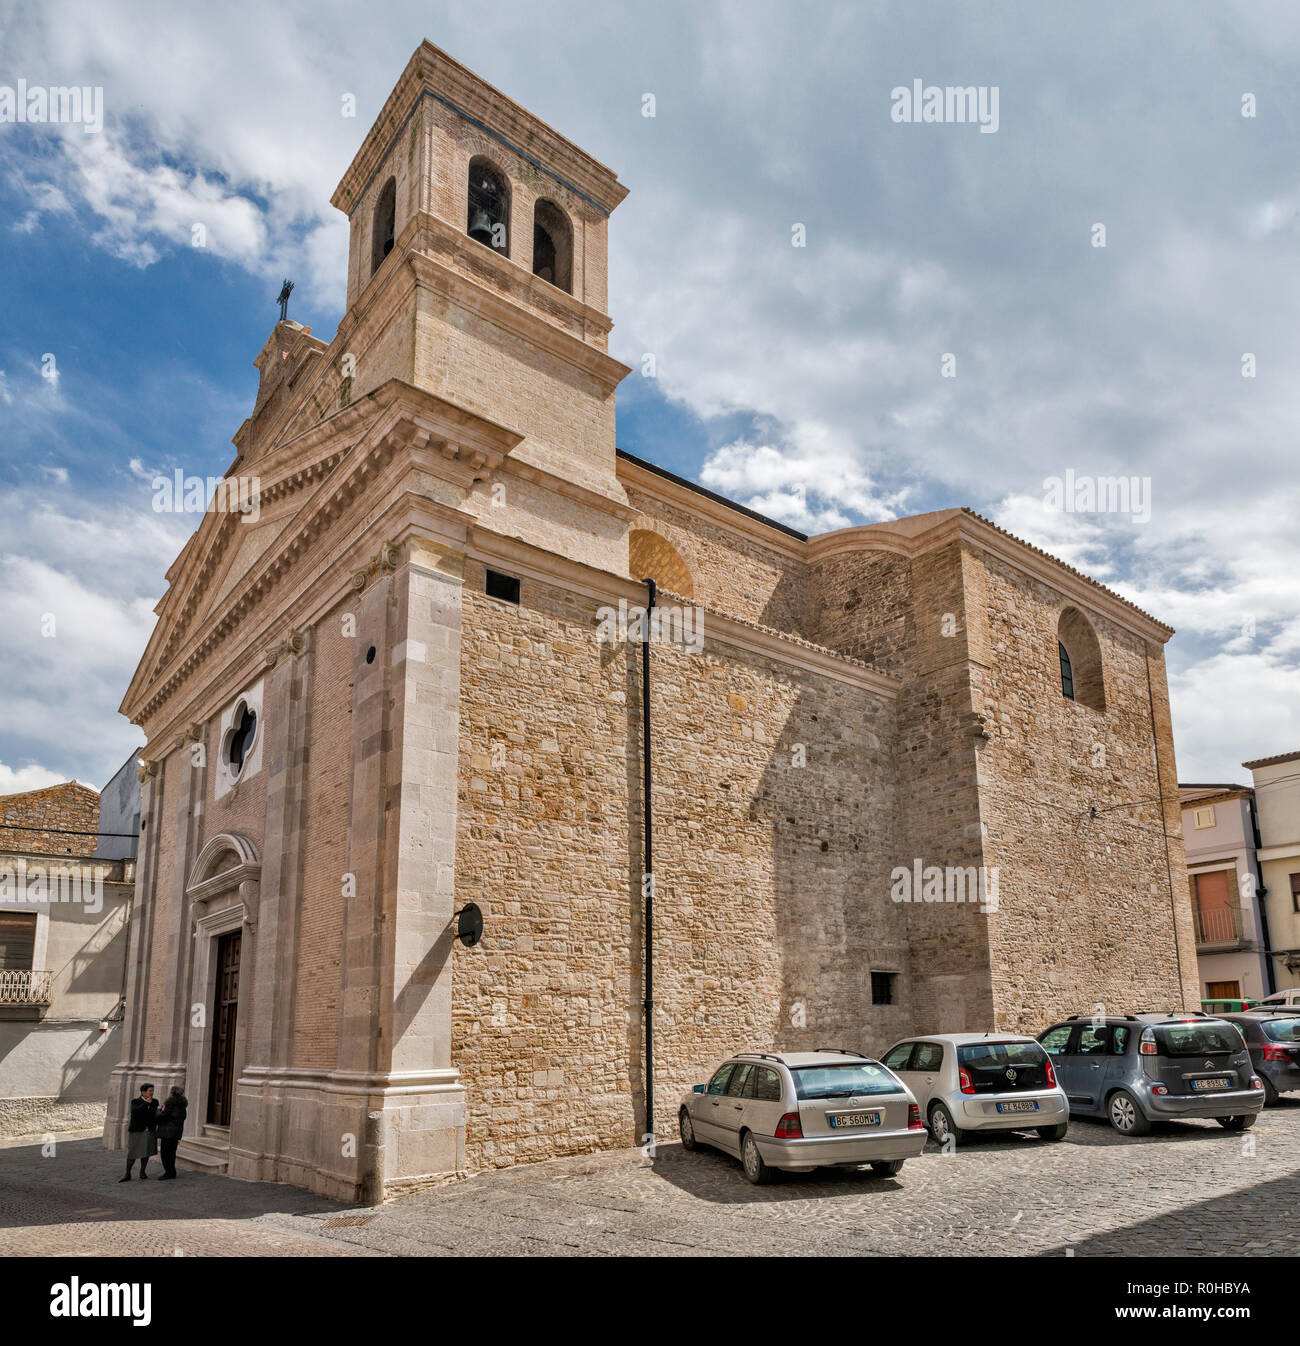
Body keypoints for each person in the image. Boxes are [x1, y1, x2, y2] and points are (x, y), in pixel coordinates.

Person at [121, 1083, 158, 1181]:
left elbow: (154, 1116)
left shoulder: (155, 1102)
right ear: (143, 1092)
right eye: (150, 1091)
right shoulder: (135, 1101)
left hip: (149, 1130)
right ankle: (127, 1173)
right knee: (132, 1153)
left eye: (152, 1090)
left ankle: (142, 1171)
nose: (152, 1093)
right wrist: (146, 1103)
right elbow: (136, 1111)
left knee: (146, 1152)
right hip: (137, 1130)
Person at [154, 1086, 188, 1180]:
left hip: (168, 1133)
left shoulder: (170, 1104)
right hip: (176, 1133)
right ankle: (172, 1172)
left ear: (172, 1093)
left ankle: (168, 1173)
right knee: (172, 1153)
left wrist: (158, 1110)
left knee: (165, 1153)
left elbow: (161, 1116)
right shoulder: (182, 1106)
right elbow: (183, 1117)